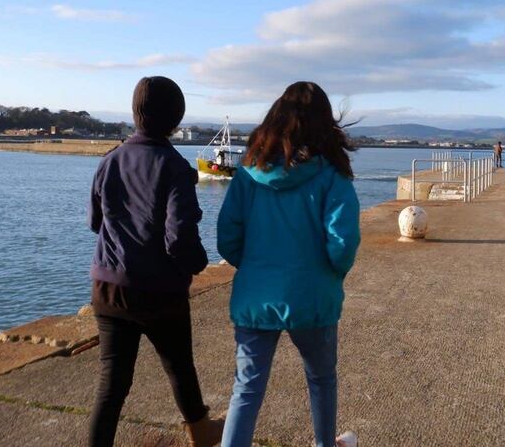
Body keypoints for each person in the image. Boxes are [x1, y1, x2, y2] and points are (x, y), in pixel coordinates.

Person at [217, 82, 361, 447]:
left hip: (255, 297)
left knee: (246, 389)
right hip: (313, 298)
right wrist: (330, 275)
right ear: (326, 124)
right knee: (321, 379)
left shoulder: (248, 173)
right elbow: (342, 244)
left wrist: (254, 268)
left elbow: (227, 238)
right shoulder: (332, 176)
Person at [87, 76, 223, 447]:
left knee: (112, 385)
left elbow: (95, 223)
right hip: (160, 292)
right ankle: (202, 434)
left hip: (108, 287)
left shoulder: (109, 161)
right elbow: (179, 236)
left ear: (134, 114)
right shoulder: (175, 167)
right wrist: (196, 263)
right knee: (179, 368)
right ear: (176, 120)